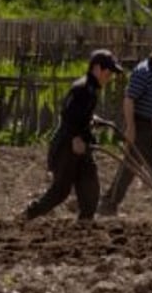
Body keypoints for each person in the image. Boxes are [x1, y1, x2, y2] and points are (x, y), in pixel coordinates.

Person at [20, 49, 124, 222]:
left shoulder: (90, 89)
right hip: (68, 146)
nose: (110, 76)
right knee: (60, 191)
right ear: (97, 68)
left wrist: (94, 120)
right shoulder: (83, 89)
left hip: (81, 144)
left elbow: (80, 113)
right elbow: (68, 114)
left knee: (90, 188)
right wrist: (76, 137)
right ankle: (29, 214)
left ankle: (85, 224)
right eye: (108, 72)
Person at [97, 37, 152, 216]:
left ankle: (109, 204)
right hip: (140, 126)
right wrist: (131, 128)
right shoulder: (143, 72)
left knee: (130, 167)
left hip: (149, 126)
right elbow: (129, 100)